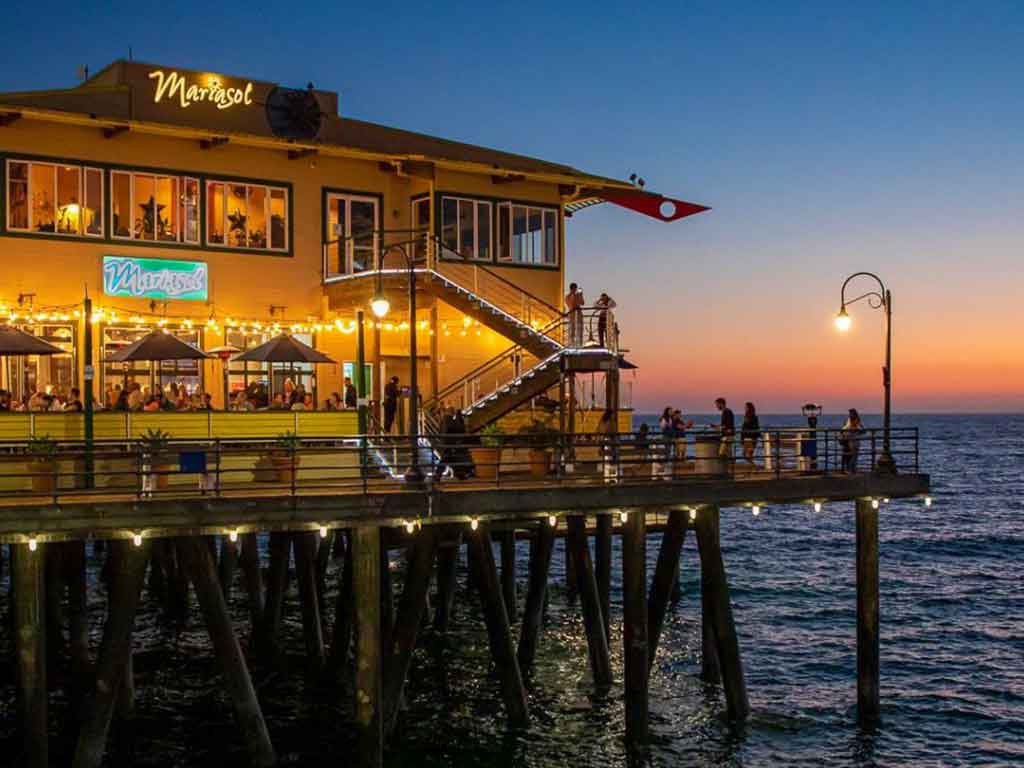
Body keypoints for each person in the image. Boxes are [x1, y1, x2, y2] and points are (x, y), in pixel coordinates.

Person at [841, 408, 864, 473]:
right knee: (854, 455)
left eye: (850, 413)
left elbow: (844, 429)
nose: (850, 415)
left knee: (853, 455)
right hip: (853, 440)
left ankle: (851, 469)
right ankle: (852, 469)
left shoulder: (851, 421)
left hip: (852, 440)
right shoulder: (854, 420)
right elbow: (861, 429)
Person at [715, 397, 735, 464]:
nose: (716, 406)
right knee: (728, 453)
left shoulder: (727, 412)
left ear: (721, 404)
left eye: (717, 404)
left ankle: (727, 466)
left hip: (727, 436)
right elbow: (726, 424)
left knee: (721, 453)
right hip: (727, 435)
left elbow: (728, 425)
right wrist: (718, 427)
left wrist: (720, 428)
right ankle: (729, 468)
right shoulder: (726, 412)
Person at [565, 282, 585, 347]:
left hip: (579, 313)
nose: (575, 290)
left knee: (580, 329)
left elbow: (582, 303)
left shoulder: (578, 295)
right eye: (575, 288)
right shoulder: (568, 296)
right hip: (572, 313)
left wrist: (581, 295)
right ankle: (572, 344)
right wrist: (574, 296)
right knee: (572, 329)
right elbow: (571, 305)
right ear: (572, 289)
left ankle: (580, 344)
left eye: (576, 289)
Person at [741, 402, 760, 466]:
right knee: (745, 454)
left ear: (749, 408)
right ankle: (753, 466)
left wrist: (755, 438)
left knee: (748, 455)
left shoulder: (753, 417)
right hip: (746, 438)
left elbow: (755, 427)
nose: (745, 408)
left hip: (750, 438)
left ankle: (754, 466)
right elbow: (743, 428)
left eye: (746, 407)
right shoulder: (746, 417)